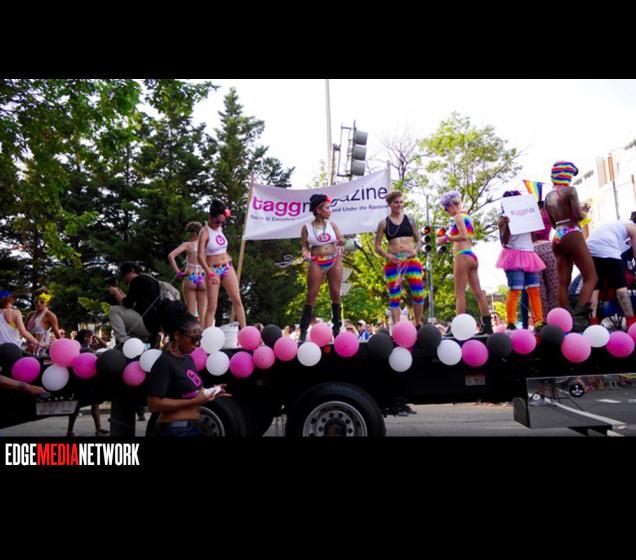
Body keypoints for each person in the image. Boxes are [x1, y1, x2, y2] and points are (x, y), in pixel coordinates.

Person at [147, 302, 229, 436]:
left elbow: (188, 392)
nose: (197, 344)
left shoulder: (188, 359)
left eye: (200, 338)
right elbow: (154, 404)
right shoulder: (165, 362)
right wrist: (194, 401)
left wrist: (211, 392)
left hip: (193, 428)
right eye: (193, 339)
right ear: (177, 336)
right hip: (174, 431)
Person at [544, 161, 597, 331]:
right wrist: (584, 211)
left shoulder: (547, 197)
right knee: (591, 277)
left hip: (557, 236)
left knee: (563, 282)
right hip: (571, 232)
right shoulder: (570, 191)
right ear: (567, 175)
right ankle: (579, 318)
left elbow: (553, 223)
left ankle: (567, 319)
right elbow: (579, 216)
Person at [438, 191, 492, 334]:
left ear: (451, 206)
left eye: (446, 209)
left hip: (462, 256)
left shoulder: (457, 217)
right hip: (472, 256)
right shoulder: (468, 217)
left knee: (459, 293)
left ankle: (457, 327)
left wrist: (446, 238)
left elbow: (464, 236)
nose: (447, 213)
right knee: (478, 292)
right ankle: (487, 325)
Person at [496, 190, 546, 332]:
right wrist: (508, 225)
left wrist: (534, 220)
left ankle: (539, 321)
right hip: (513, 255)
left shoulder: (526, 214)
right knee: (515, 290)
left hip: (529, 254)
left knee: (534, 289)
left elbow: (533, 237)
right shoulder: (502, 219)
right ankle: (511, 322)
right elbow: (504, 241)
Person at [374, 191, 425, 328]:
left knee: (418, 293)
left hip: (411, 261)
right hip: (394, 263)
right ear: (390, 204)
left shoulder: (410, 220)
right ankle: (397, 327)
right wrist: (387, 256)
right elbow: (377, 246)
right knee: (395, 296)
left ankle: (418, 323)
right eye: (396, 202)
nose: (399, 205)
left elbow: (419, 241)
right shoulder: (383, 223)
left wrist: (415, 250)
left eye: (401, 202)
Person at [298, 193, 345, 343]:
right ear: (318, 210)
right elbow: (305, 247)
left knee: (336, 293)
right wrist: (305, 253)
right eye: (327, 208)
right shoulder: (306, 227)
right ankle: (303, 331)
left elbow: (340, 240)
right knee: (311, 294)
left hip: (334, 259)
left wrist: (342, 242)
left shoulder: (332, 225)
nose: (330, 211)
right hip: (316, 261)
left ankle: (337, 329)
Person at [197, 199, 246, 329]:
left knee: (237, 300)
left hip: (227, 266)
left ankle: (245, 330)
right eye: (217, 221)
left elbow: (221, 247)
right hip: (213, 269)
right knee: (212, 306)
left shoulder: (219, 228)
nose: (219, 224)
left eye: (222, 222)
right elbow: (200, 256)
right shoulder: (204, 232)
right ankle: (206, 335)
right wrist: (209, 273)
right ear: (211, 217)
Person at [586, 218, 636, 329]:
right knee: (621, 286)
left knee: (595, 287)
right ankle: (631, 321)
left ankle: (593, 322)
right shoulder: (633, 228)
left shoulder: (619, 224)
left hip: (589, 248)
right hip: (607, 249)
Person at [66, 329, 109, 437]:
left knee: (95, 403)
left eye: (89, 336)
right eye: (86, 336)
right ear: (81, 337)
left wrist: (95, 336)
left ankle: (98, 429)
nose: (88, 339)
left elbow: (104, 345)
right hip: (79, 379)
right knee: (76, 405)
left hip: (92, 379)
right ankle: (70, 431)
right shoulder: (76, 346)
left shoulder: (90, 346)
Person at [108, 262, 162, 346]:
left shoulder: (137, 280)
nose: (125, 280)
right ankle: (142, 342)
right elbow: (131, 302)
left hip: (146, 324)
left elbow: (126, 304)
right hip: (155, 325)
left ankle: (123, 341)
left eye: (125, 276)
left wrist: (115, 292)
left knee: (114, 310)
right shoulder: (148, 279)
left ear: (132, 270)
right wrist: (120, 294)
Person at [168, 221, 207, 320]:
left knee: (190, 313)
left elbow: (171, 256)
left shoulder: (188, 245)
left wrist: (178, 273)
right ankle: (203, 330)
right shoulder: (206, 245)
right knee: (203, 313)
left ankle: (191, 330)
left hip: (191, 275)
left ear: (190, 233)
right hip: (202, 276)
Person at [25, 288, 62, 354]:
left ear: (46, 302)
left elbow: (57, 335)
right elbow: (23, 331)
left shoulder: (50, 315)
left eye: (42, 302)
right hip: (27, 349)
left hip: (41, 350)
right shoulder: (30, 314)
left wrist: (65, 345)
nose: (38, 304)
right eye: (36, 302)